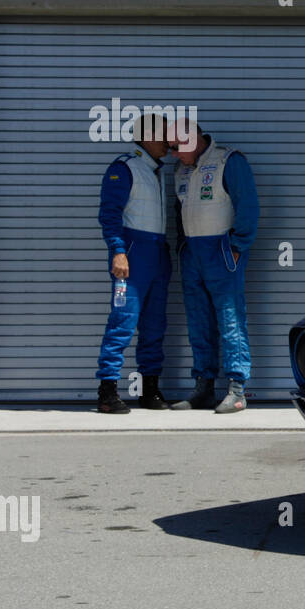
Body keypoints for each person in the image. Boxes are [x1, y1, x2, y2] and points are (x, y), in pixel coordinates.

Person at [169, 120, 259, 413]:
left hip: (222, 250)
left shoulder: (228, 161)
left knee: (230, 318)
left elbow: (248, 206)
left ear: (192, 139)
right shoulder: (180, 169)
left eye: (175, 147)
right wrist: (183, 248)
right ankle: (203, 388)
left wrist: (237, 247)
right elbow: (178, 211)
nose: (172, 153)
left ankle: (236, 389)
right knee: (198, 322)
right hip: (193, 254)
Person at [95, 115, 173, 413]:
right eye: (165, 135)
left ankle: (150, 390)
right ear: (149, 136)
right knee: (123, 321)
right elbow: (110, 214)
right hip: (132, 254)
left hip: (158, 253)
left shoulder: (158, 171)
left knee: (154, 325)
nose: (169, 142)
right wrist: (117, 251)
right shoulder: (124, 168)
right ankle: (107, 391)